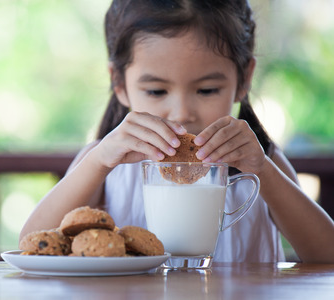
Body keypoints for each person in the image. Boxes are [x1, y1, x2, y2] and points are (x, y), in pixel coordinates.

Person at [20, 0, 334, 263]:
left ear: (244, 79)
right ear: (119, 83)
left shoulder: (261, 164)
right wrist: (98, 161)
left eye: (207, 89)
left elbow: (327, 255)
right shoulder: (105, 166)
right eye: (156, 91)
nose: (182, 113)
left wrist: (262, 169)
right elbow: (32, 244)